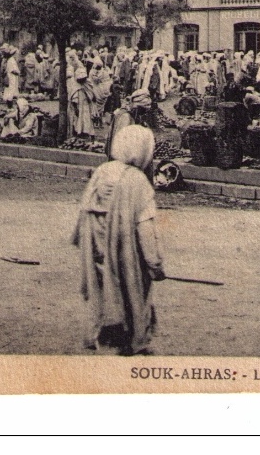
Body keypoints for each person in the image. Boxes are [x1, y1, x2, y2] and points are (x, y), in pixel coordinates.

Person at [74, 124, 165, 355]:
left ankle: (97, 334)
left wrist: (82, 238)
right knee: (131, 288)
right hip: (124, 251)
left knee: (100, 289)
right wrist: (154, 263)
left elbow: (85, 209)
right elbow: (145, 227)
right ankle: (129, 339)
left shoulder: (102, 171)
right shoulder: (138, 181)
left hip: (96, 245)